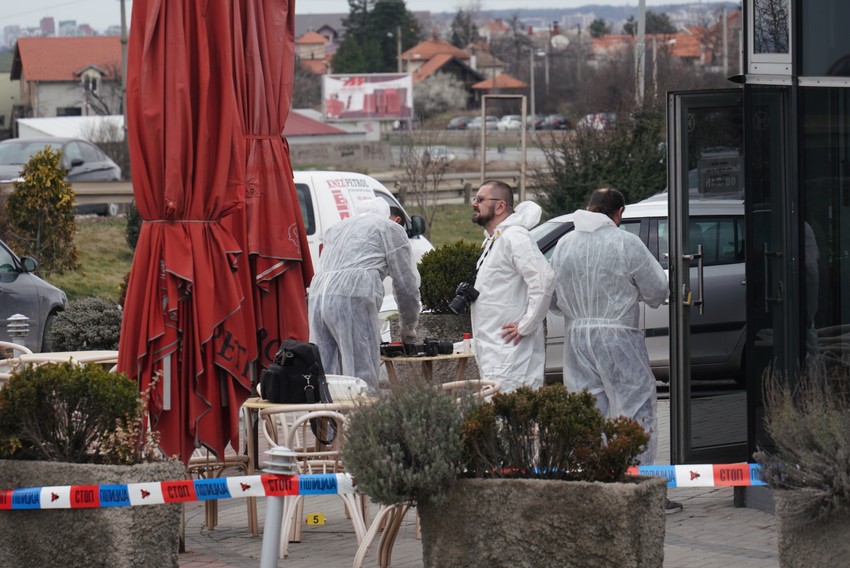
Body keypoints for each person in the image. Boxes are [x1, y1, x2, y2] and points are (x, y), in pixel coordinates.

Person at [549, 188, 680, 511]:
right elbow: (656, 290)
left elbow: (551, 298)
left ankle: (596, 485)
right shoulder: (625, 243)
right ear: (619, 213)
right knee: (635, 409)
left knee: (588, 409)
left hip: (577, 337)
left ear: (588, 207)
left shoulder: (564, 244)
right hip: (619, 335)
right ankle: (639, 488)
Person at [308, 197, 420, 394]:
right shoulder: (390, 228)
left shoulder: (337, 228)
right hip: (353, 295)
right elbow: (405, 284)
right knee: (361, 377)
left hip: (318, 296)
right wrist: (408, 330)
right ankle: (360, 423)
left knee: (325, 374)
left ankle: (328, 422)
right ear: (393, 219)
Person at [468, 180, 554, 392]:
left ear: (500, 206)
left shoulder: (515, 237)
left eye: (480, 199)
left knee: (510, 416)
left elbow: (544, 279)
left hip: (512, 355)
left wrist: (526, 325)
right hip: (495, 350)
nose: (473, 203)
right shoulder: (496, 239)